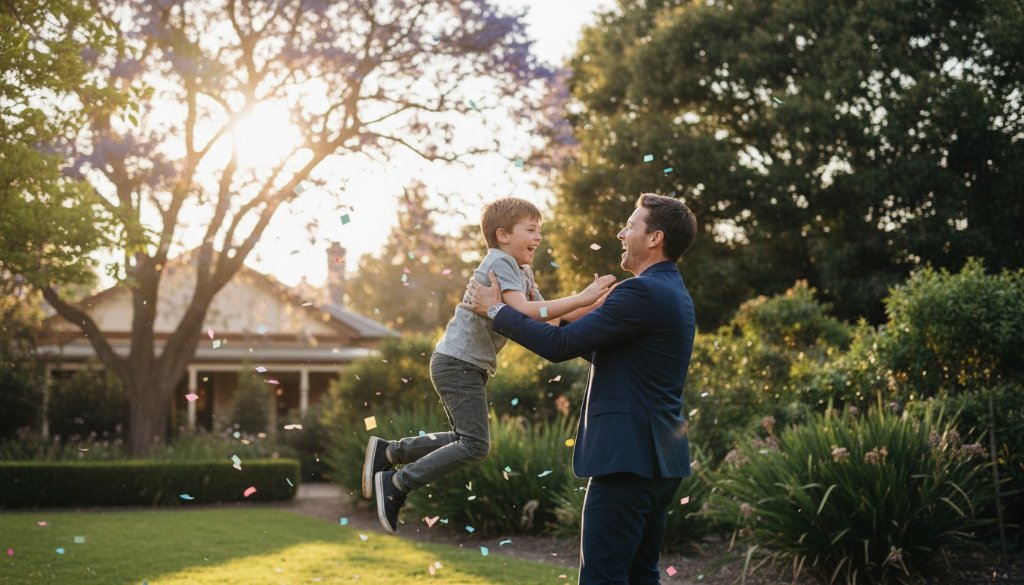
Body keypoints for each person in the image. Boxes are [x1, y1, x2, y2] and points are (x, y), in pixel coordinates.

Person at [463, 193, 698, 585]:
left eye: (630, 225)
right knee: (641, 575)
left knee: (602, 579)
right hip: (659, 460)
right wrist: (541, 314)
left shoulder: (639, 292)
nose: (621, 233)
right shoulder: (672, 292)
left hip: (628, 458)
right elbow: (585, 344)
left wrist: (496, 311)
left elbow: (559, 349)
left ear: (655, 238)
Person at [364, 197, 616, 535]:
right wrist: (584, 296)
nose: (539, 237)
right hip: (458, 363)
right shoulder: (499, 262)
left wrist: (599, 306)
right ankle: (398, 483)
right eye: (531, 229)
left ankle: (391, 451)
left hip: (463, 364)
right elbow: (522, 312)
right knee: (475, 445)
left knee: (463, 438)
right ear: (502, 235)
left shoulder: (522, 269)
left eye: (539, 229)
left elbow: (551, 319)